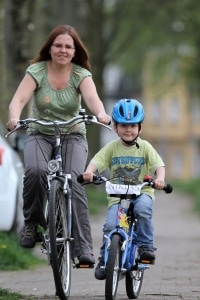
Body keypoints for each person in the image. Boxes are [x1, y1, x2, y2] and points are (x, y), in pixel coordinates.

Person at [7, 24, 110, 265]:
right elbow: (19, 100)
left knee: (75, 180)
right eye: (58, 45)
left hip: (72, 134)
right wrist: (14, 117)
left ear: (75, 51)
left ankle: (84, 248)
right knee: (35, 171)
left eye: (68, 46)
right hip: (39, 133)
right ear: (50, 48)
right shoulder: (37, 71)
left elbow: (93, 99)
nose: (62, 50)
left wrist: (102, 114)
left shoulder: (80, 75)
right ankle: (32, 224)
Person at [82, 98, 165, 279]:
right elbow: (97, 161)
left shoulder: (145, 147)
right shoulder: (112, 148)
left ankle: (145, 247)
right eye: (124, 125)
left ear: (140, 128)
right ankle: (105, 259)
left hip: (142, 192)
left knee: (143, 210)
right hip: (118, 196)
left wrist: (160, 179)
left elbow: (159, 165)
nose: (128, 130)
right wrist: (89, 172)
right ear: (115, 128)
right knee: (110, 225)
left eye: (133, 126)